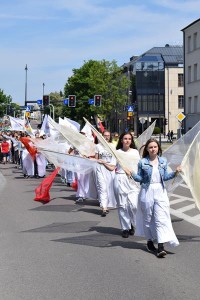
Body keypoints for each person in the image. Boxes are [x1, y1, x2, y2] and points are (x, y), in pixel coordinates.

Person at [131, 138, 181, 258]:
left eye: (155, 147)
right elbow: (140, 179)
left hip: (160, 191)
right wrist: (132, 174)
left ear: (158, 148)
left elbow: (165, 177)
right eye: (150, 147)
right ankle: (149, 241)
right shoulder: (142, 162)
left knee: (161, 218)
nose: (153, 149)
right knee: (147, 219)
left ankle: (160, 247)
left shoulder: (163, 161)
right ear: (147, 149)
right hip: (147, 191)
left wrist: (175, 173)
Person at [114, 132, 140, 238]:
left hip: (133, 180)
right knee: (122, 205)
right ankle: (125, 228)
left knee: (134, 205)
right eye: (125, 138)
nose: (127, 140)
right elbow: (112, 167)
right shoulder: (117, 152)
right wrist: (102, 162)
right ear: (121, 140)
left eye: (129, 138)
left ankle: (132, 224)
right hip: (120, 178)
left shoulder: (135, 152)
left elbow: (139, 166)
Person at [95, 130, 116, 216]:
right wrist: (98, 161)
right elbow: (96, 159)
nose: (106, 137)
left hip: (110, 168)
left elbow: (115, 159)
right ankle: (104, 207)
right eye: (105, 135)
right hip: (101, 169)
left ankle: (108, 204)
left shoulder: (112, 146)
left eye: (108, 135)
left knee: (109, 188)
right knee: (102, 188)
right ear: (102, 136)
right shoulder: (98, 146)